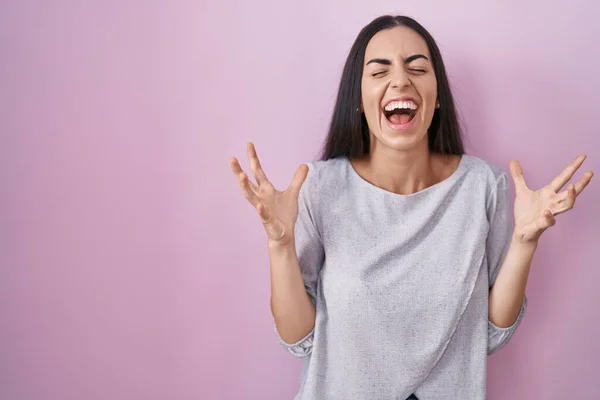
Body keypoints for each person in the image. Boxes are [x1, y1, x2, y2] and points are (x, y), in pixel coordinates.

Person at [230, 15, 593, 400]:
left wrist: (524, 242)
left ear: (437, 97)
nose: (401, 80)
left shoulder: (485, 187)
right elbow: (298, 338)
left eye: (417, 68)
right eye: (379, 71)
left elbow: (490, 332)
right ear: (359, 99)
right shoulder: (320, 188)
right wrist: (280, 245)